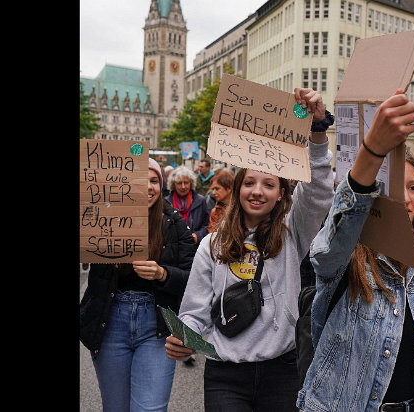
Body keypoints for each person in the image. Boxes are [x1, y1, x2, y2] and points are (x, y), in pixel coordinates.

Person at [296, 90, 414, 412]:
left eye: (413, 187)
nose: (405, 197)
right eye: (392, 184)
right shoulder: (348, 258)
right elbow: (328, 249)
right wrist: (372, 150)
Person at [165, 87, 335, 411]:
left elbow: (318, 193)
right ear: (238, 188)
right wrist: (184, 339)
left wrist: (317, 133)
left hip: (282, 372)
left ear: (281, 194)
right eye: (249, 183)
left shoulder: (292, 234)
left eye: (269, 184)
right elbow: (195, 310)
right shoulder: (210, 245)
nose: (258, 192)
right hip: (225, 377)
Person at [79, 158, 197, 412]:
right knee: (115, 407)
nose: (147, 186)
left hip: (156, 326)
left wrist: (163, 274)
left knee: (150, 409)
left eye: (154, 180)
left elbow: (193, 279)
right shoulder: (106, 215)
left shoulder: (175, 224)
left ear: (161, 185)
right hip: (110, 322)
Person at [165, 165, 209, 246]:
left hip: (194, 247)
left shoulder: (200, 201)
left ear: (191, 183)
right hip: (173, 249)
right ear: (173, 184)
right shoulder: (166, 202)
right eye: (179, 183)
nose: (183, 186)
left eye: (186, 182)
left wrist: (197, 236)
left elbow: (206, 225)